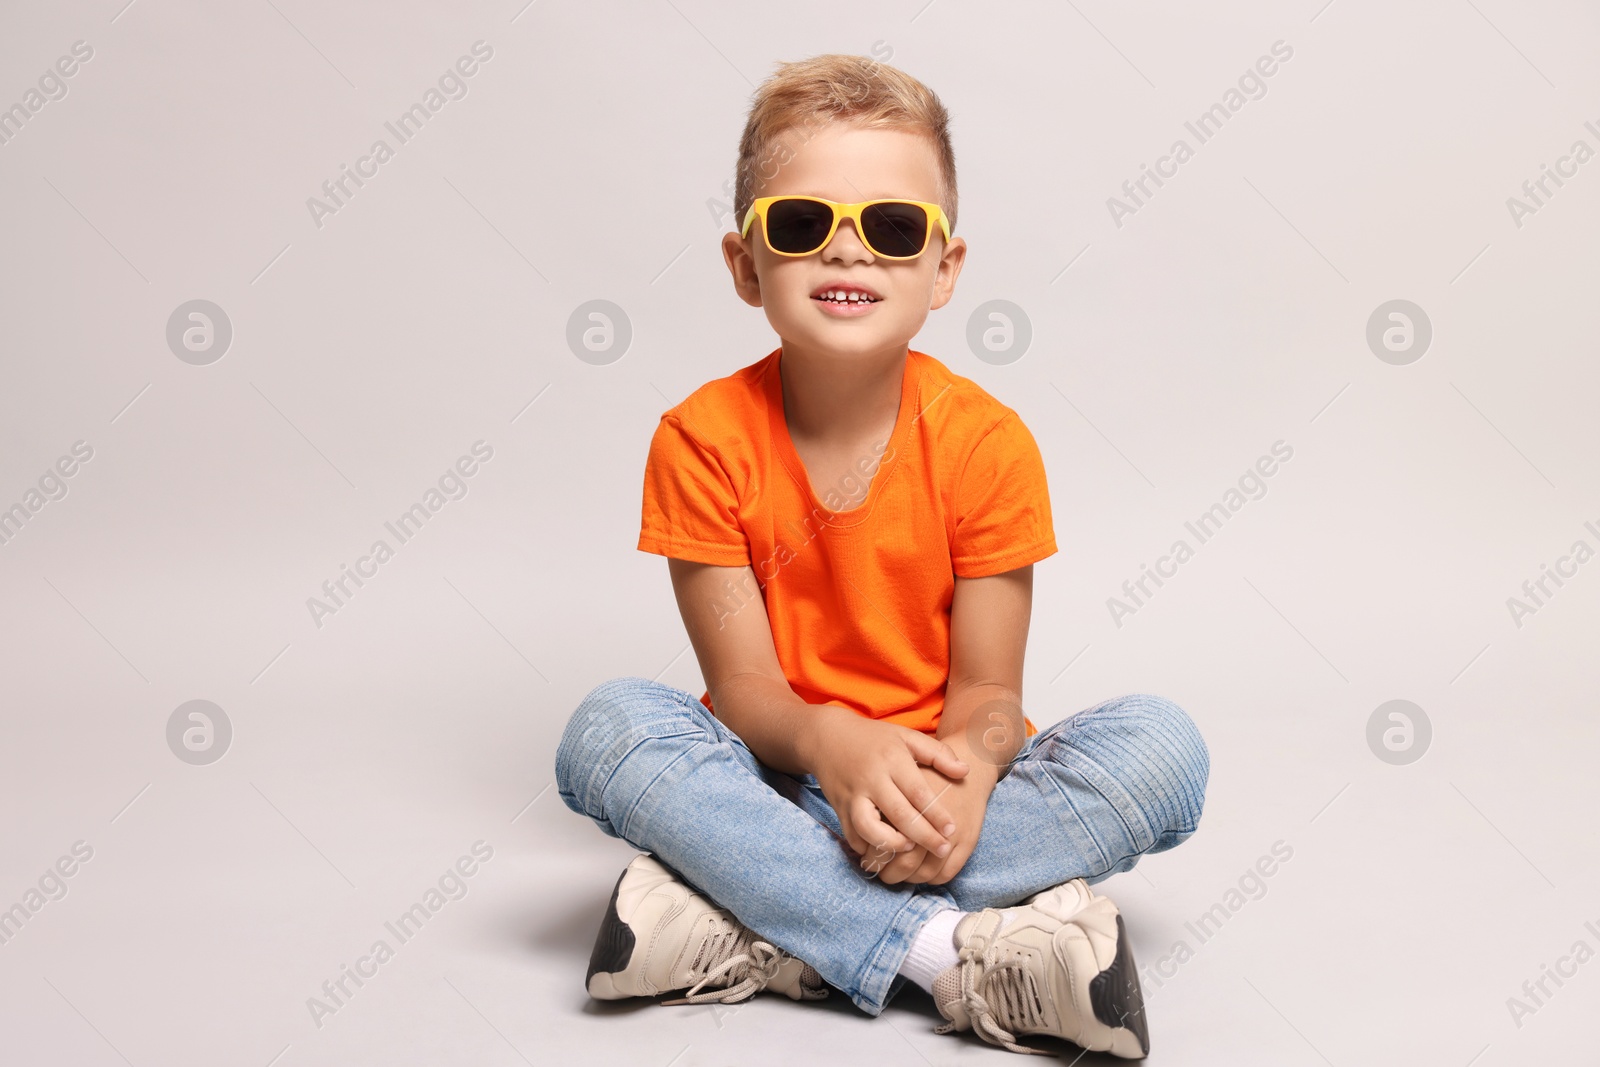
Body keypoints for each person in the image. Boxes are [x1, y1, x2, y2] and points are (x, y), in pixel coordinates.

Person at [554, 53, 1209, 1059]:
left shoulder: (986, 442)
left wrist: (966, 789)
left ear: (943, 269)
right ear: (745, 264)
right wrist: (828, 743)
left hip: (948, 786)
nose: (847, 254)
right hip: (771, 777)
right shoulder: (699, 438)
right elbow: (742, 688)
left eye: (894, 229)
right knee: (607, 731)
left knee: (1164, 748)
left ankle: (758, 920)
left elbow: (988, 688)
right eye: (803, 224)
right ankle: (956, 953)